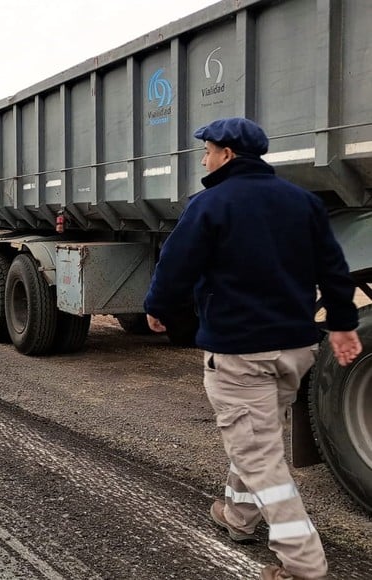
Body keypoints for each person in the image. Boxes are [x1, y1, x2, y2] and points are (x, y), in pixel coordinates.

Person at [143, 117, 363, 580]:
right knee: (256, 435)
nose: (203, 158)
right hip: (296, 350)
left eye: (206, 150)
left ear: (225, 153)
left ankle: (304, 564)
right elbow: (334, 269)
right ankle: (240, 516)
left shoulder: (210, 204)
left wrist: (158, 306)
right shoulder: (302, 202)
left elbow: (175, 264)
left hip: (240, 351)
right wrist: (342, 324)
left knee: (258, 452)